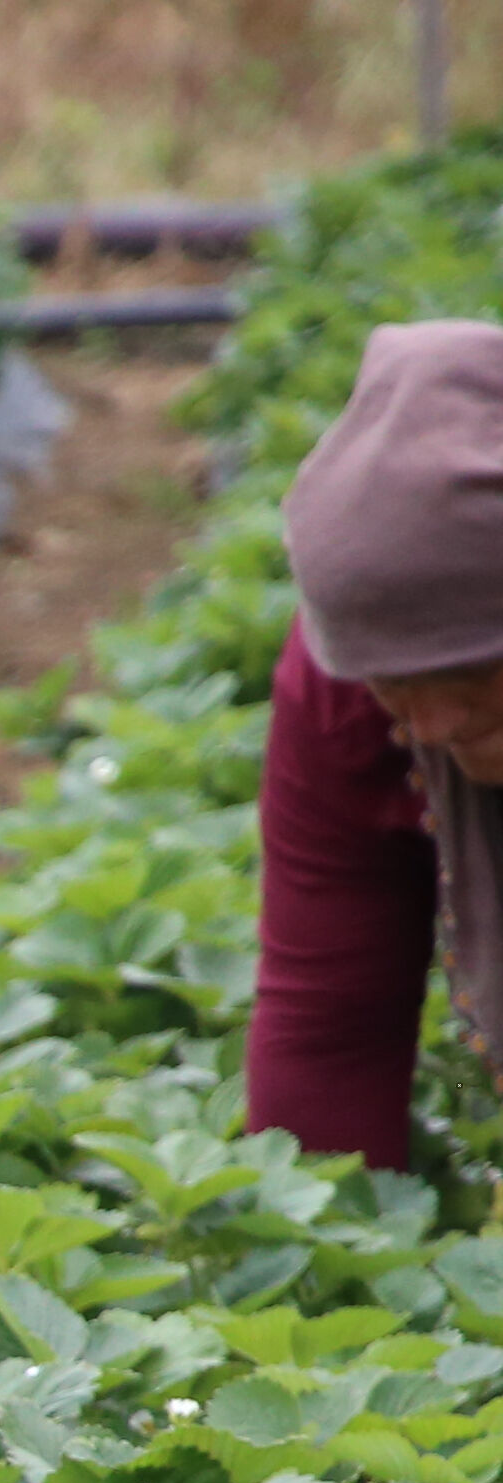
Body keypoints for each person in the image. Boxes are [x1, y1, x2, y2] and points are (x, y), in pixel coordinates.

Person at [251, 318, 503, 1172]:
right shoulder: (342, 690)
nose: (430, 725)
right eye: (395, 680)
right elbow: (330, 1028)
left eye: (470, 670)